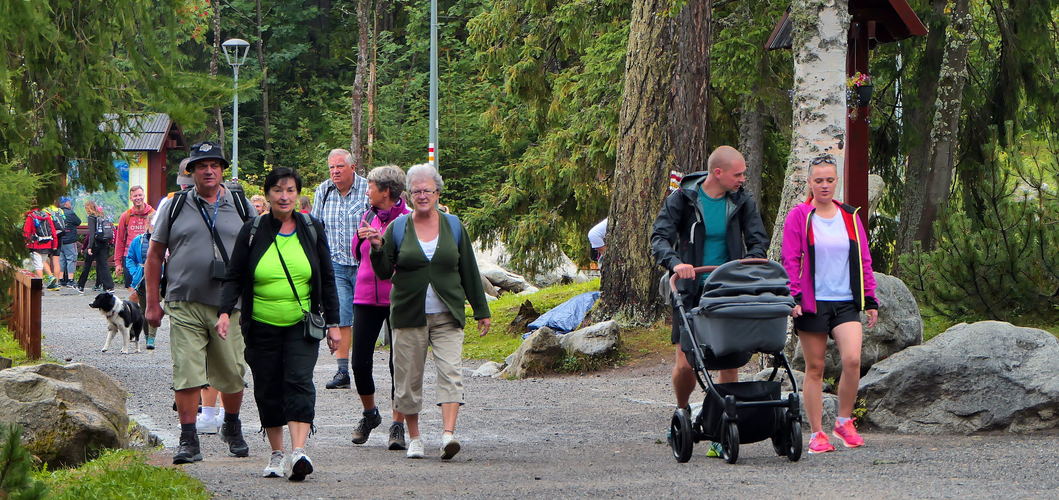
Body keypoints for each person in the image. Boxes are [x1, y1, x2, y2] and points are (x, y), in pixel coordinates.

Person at [218, 167, 340, 481]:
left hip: (301, 325)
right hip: (260, 325)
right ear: (269, 194)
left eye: (289, 190)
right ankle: (276, 452)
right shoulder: (253, 230)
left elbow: (327, 279)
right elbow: (234, 277)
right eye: (277, 190)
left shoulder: (311, 228)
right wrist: (223, 312)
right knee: (268, 388)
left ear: (297, 194)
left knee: (299, 382)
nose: (284, 196)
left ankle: (299, 452)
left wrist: (335, 323)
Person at [650, 145, 769, 457]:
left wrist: (752, 261)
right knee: (686, 363)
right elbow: (659, 238)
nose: (743, 178)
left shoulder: (742, 200)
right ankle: (683, 410)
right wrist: (676, 263)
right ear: (718, 173)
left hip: (727, 287)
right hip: (690, 288)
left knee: (730, 358)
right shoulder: (683, 199)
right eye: (738, 173)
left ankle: (720, 424)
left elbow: (758, 239)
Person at [368, 163, 491, 460]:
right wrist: (375, 247)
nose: (422, 195)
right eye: (416, 191)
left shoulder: (453, 225)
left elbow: (469, 269)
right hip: (409, 315)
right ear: (409, 195)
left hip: (447, 314)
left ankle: (449, 435)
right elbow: (384, 272)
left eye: (428, 190)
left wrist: (480, 309)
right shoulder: (397, 227)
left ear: (437, 193)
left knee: (451, 372)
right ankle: (415, 437)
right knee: (408, 379)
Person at [145, 141, 254, 465]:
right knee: (188, 371)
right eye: (201, 166)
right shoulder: (174, 206)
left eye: (214, 165)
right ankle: (188, 438)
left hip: (229, 305)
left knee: (232, 373)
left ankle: (232, 426)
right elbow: (154, 256)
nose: (208, 171)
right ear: (191, 172)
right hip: (184, 301)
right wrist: (153, 303)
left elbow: (258, 251)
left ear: (222, 170)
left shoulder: (240, 204)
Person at [780, 154, 878, 454]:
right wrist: (793, 297)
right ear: (810, 183)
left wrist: (870, 298)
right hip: (812, 302)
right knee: (816, 368)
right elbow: (790, 258)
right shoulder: (800, 216)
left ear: (837, 182)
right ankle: (817, 434)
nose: (824, 186)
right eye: (819, 180)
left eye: (830, 180)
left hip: (846, 301)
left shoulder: (849, 216)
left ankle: (844, 421)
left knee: (852, 361)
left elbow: (863, 259)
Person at [350, 165, 411, 449]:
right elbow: (355, 251)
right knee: (359, 362)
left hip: (396, 297)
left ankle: (397, 424)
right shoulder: (366, 214)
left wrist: (381, 242)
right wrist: (362, 237)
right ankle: (370, 413)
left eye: (372, 186)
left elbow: (410, 259)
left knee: (396, 363)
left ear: (386, 191)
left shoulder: (408, 220)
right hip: (364, 297)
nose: (367, 190)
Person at [310, 149, 369, 390]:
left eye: (340, 167)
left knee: (365, 318)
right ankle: (342, 371)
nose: (334, 171)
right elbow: (314, 227)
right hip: (335, 265)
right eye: (331, 167)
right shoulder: (323, 191)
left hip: (365, 264)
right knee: (341, 316)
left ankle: (362, 366)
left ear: (352, 168)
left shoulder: (367, 189)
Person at [114, 185, 156, 291]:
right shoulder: (126, 216)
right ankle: (134, 307)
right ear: (131, 198)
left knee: (150, 290)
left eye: (140, 195)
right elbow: (120, 240)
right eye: (135, 196)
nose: (138, 198)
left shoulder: (153, 214)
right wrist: (118, 262)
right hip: (130, 258)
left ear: (144, 195)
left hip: (149, 256)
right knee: (132, 291)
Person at [76, 201, 115, 294]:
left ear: (88, 208)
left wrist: (89, 247)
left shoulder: (91, 217)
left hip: (95, 244)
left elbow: (92, 233)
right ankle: (109, 287)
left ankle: (80, 286)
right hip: (104, 243)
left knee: (87, 264)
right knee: (104, 265)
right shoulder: (101, 216)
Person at [23, 205, 60, 290]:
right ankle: (51, 277)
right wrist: (54, 244)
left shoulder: (30, 216)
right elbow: (53, 231)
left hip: (35, 244)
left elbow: (26, 232)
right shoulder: (47, 215)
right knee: (43, 261)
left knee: (38, 265)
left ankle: (40, 284)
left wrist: (25, 243)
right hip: (48, 243)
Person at [57, 197, 82, 287]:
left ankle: (61, 279)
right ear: (66, 203)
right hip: (70, 240)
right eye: (69, 202)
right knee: (71, 259)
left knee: (61, 260)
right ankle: (70, 280)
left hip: (60, 240)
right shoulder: (70, 213)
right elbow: (78, 222)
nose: (70, 204)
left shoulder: (57, 213)